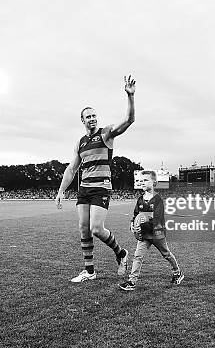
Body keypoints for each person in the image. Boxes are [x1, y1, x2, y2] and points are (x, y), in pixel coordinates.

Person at [55, 75, 136, 282]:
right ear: (82, 121)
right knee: (83, 229)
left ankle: (121, 253)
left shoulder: (106, 134)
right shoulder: (80, 143)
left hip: (101, 188)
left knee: (96, 228)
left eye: (94, 115)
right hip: (84, 189)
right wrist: (61, 192)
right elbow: (71, 169)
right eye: (88, 116)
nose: (92, 118)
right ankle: (89, 271)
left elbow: (129, 120)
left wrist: (130, 97)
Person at [119, 170, 183, 291]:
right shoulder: (140, 199)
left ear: (154, 183)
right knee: (138, 256)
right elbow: (136, 215)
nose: (142, 183)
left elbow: (157, 218)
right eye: (140, 181)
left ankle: (177, 272)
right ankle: (132, 281)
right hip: (144, 235)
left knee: (166, 254)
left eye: (145, 180)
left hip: (157, 234)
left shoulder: (158, 199)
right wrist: (133, 224)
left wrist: (143, 222)